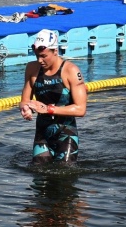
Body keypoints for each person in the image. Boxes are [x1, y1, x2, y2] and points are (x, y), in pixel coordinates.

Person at [20, 29, 88, 164]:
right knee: (39, 175)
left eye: (44, 56)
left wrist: (49, 109)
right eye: (37, 56)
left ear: (55, 51)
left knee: (64, 176)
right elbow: (24, 100)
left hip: (66, 133)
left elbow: (81, 109)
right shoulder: (31, 68)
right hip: (42, 133)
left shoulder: (71, 71)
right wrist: (25, 108)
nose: (39, 60)